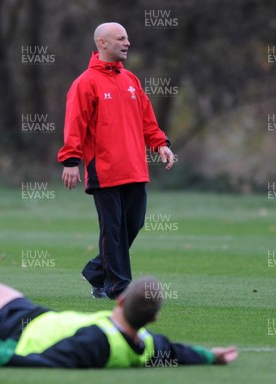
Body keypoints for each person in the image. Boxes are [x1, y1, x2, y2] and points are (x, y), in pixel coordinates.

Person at [0, 273, 237, 368]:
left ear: (121, 299)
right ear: (153, 319)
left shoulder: (97, 341)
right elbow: (177, 351)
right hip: (34, 317)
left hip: (6, 333)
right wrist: (211, 355)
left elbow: (50, 361)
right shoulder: (147, 346)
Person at [57, 22, 175, 300]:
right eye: (120, 38)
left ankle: (97, 272)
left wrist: (160, 144)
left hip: (135, 168)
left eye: (127, 37)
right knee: (113, 230)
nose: (127, 43)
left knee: (133, 224)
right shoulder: (85, 83)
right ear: (103, 43)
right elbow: (75, 124)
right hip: (105, 171)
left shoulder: (131, 80)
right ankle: (119, 287)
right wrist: (71, 161)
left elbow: (147, 120)